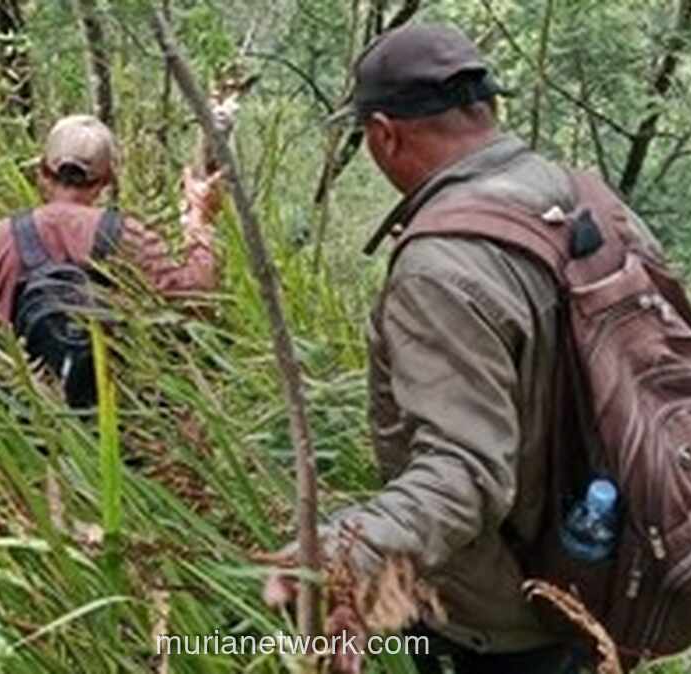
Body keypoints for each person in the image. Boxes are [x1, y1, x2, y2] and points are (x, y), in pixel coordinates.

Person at [263, 23, 669, 674]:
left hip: (506, 625)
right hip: (609, 567)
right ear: (488, 110)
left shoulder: (440, 269)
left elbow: (463, 477)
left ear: (383, 134)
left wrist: (338, 558)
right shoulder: (587, 197)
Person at [0, 114, 223, 326]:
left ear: (42, 172)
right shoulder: (125, 235)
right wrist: (200, 219)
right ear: (107, 180)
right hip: (110, 394)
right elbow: (196, 297)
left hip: (11, 393)